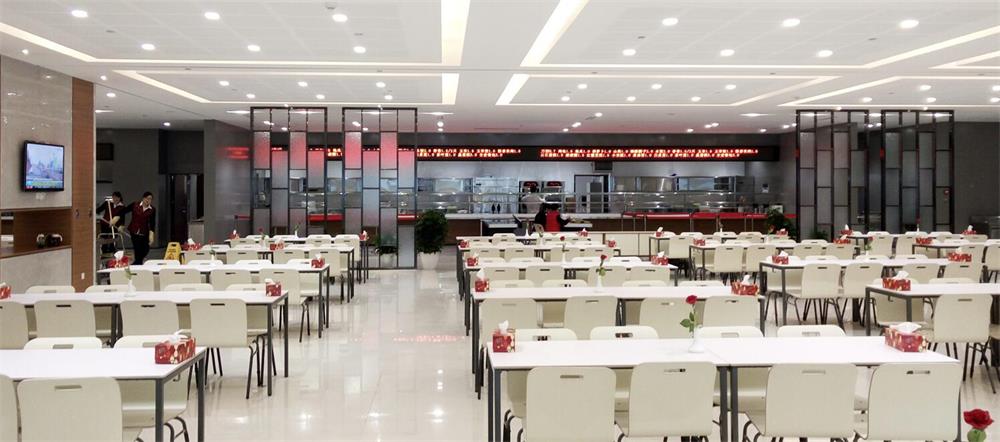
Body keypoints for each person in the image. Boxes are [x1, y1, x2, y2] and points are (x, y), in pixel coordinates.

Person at [120, 191, 156, 264]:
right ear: (143, 198)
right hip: (134, 231)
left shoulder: (152, 209)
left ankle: (136, 263)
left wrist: (151, 234)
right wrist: (121, 224)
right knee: (137, 249)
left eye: (150, 199)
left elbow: (152, 223)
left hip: (144, 231)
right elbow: (124, 211)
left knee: (146, 249)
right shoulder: (135, 205)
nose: (148, 200)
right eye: (147, 198)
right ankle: (138, 264)